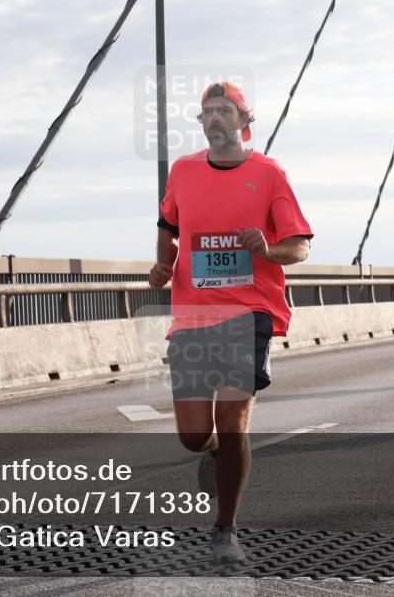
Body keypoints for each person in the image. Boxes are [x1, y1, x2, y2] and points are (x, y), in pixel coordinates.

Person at [148, 82, 312, 565]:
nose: (216, 117)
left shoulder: (268, 174)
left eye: (226, 110)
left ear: (245, 122)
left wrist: (266, 249)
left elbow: (299, 246)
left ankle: (225, 531)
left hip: (249, 312)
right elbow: (168, 228)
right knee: (194, 435)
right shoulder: (183, 171)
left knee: (234, 420)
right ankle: (213, 451)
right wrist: (162, 265)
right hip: (194, 315)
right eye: (208, 112)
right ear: (201, 123)